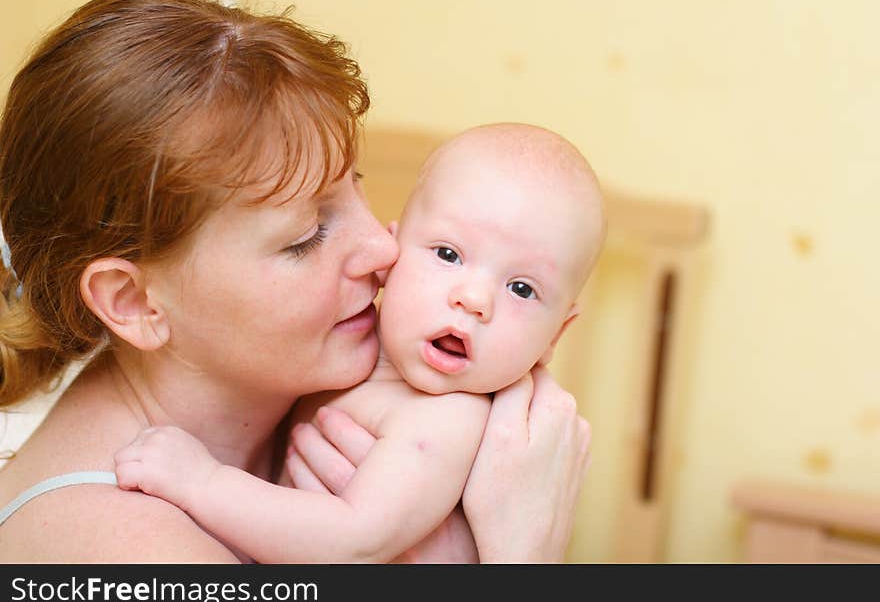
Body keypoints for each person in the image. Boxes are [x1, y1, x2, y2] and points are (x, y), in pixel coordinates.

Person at [0, 0, 590, 563]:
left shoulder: (313, 401)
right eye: (305, 236)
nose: (383, 250)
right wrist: (525, 550)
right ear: (133, 302)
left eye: (355, 186)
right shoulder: (129, 556)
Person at [113, 122, 604, 563]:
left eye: (522, 288)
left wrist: (203, 482)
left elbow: (354, 541)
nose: (474, 299)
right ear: (393, 256)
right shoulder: (344, 352)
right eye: (448, 254)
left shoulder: (450, 418)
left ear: (555, 334)